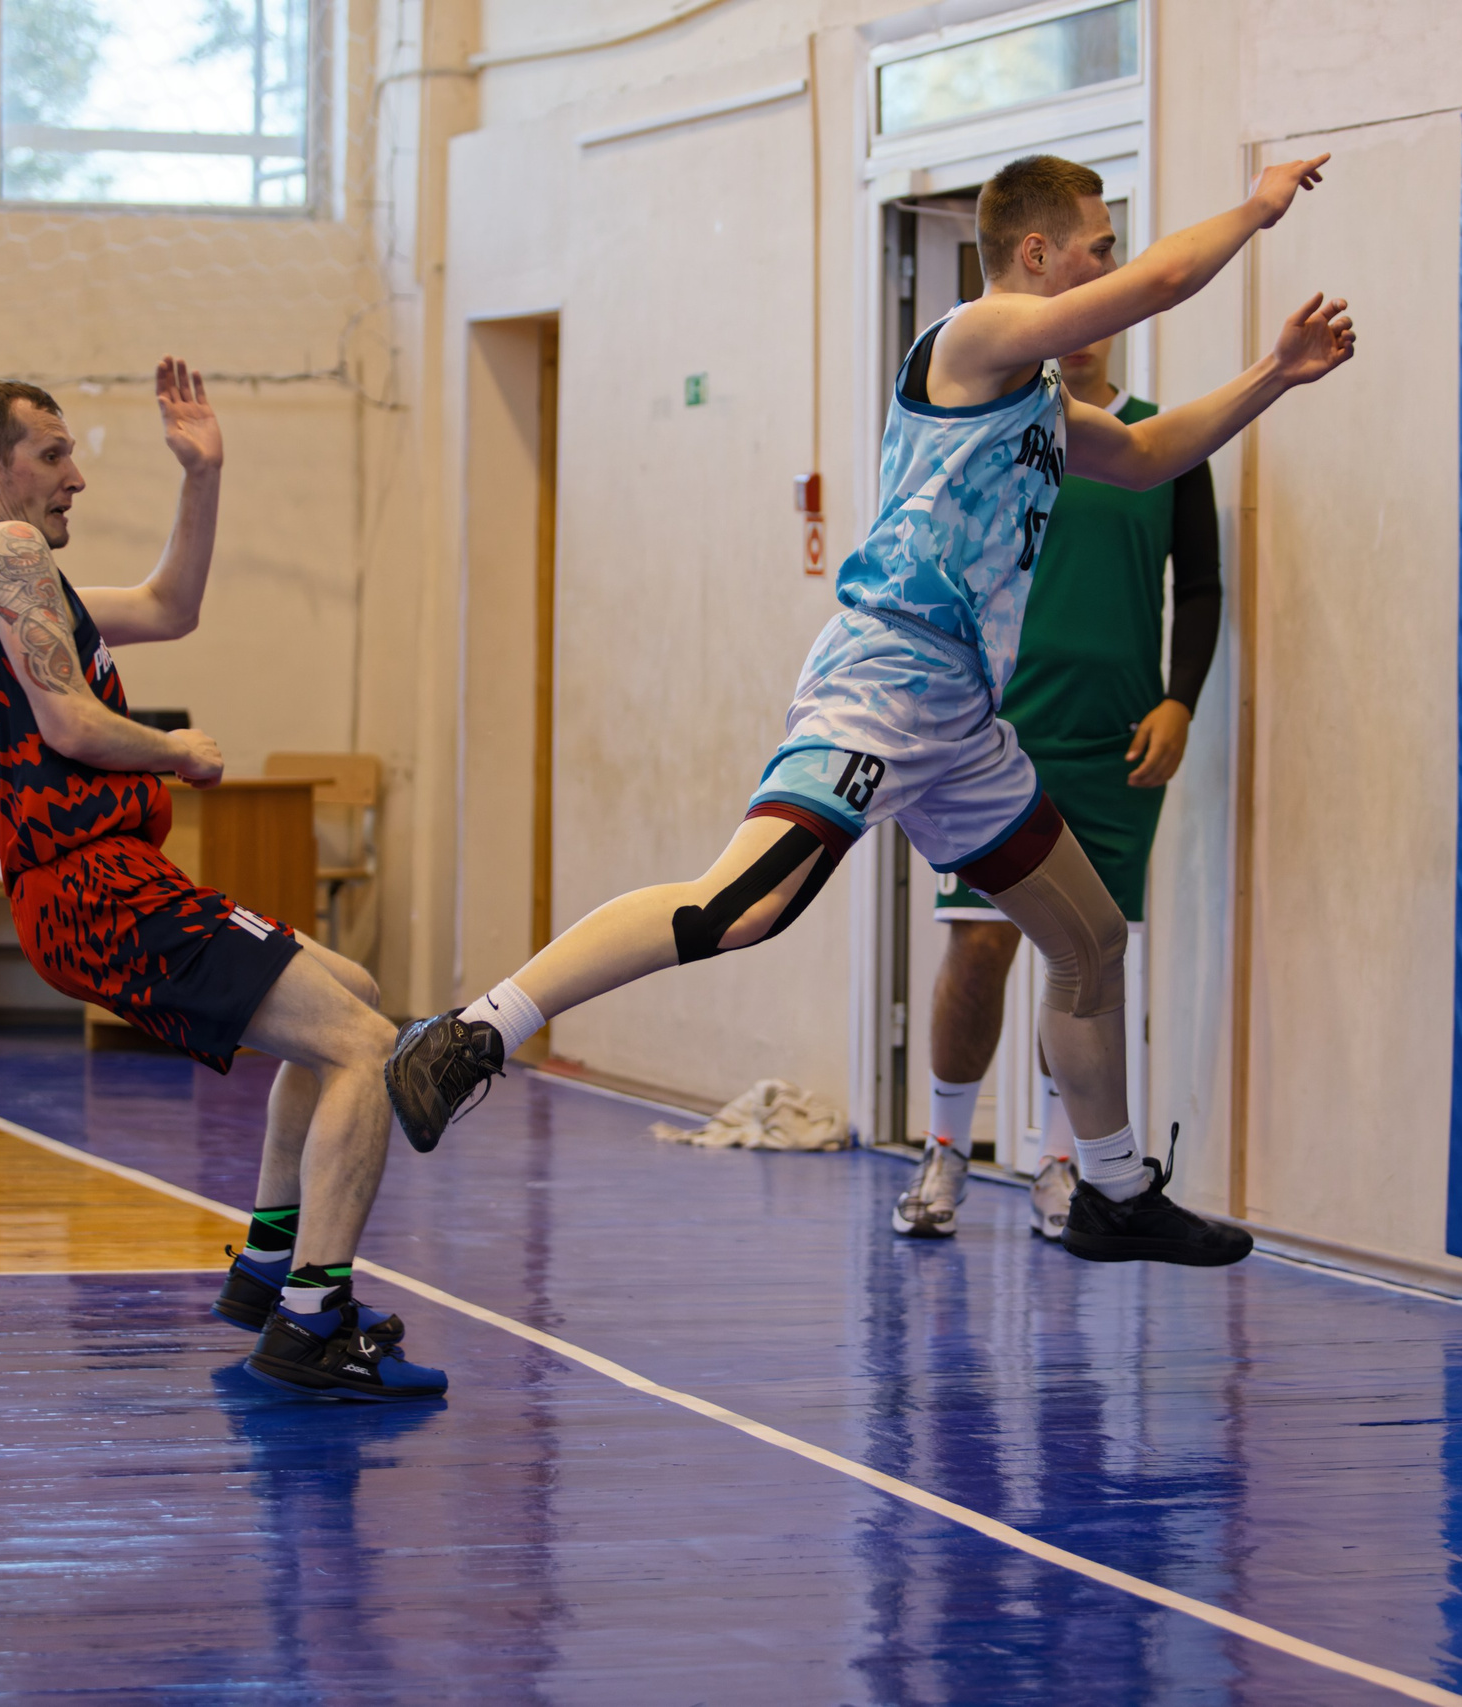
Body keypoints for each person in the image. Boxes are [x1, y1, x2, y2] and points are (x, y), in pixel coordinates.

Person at [390, 153, 1353, 1267]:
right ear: (1036, 255)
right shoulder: (972, 338)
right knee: (738, 909)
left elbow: (1142, 457)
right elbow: (1157, 288)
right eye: (1098, 242)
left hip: (962, 723)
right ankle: (471, 1032)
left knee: (1088, 940)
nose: (1113, 263)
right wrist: (1257, 205)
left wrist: (1272, 375)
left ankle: (1113, 1189)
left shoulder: (1039, 401)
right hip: (884, 683)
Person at [0, 361, 443, 1403]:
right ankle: (313, 1321)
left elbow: (171, 606)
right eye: (53, 454)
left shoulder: (10, 573)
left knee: (350, 995)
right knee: (365, 1051)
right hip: (92, 884)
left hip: (104, 878)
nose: (74, 475)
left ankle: (267, 1263)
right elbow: (70, 722)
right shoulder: (5, 548)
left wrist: (202, 473)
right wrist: (177, 753)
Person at [915, 329, 1220, 1242]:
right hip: (998, 739)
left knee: (1086, 960)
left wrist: (1181, 701)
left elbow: (1199, 585)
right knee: (977, 951)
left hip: (1118, 746)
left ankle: (1063, 1169)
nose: (1083, 334)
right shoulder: (1003, 435)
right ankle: (945, 1150)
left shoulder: (1164, 442)